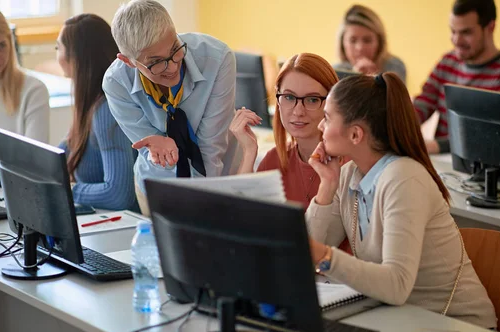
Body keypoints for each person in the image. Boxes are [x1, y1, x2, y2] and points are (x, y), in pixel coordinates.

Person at [306, 72, 497, 328]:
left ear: (355, 135)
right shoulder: (349, 173)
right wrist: (327, 186)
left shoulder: (404, 178)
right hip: (403, 322)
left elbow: (396, 285)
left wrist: (326, 256)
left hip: (455, 328)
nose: (320, 126)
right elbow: (308, 253)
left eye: (327, 118)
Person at [103, 0, 237, 215]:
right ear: (128, 61)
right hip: (158, 187)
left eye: (175, 49)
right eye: (156, 62)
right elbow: (152, 148)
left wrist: (207, 205)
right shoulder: (116, 82)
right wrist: (157, 145)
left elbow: (211, 147)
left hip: (218, 181)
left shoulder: (217, 58)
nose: (173, 66)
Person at [414, 0, 500, 154]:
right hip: (440, 163)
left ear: (490, 27)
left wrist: (437, 145)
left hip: (479, 166)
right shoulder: (447, 62)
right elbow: (422, 104)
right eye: (453, 31)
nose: (456, 40)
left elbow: (494, 133)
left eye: (466, 32)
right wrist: (399, 128)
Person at [230, 53, 338, 208]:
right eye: (289, 97)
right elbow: (240, 215)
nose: (298, 111)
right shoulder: (275, 160)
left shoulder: (350, 165)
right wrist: (249, 151)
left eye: (312, 99)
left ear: (332, 103)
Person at [56, 14, 138, 211]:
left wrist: (68, 190)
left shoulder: (107, 110)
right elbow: (51, 160)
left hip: (126, 230)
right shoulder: (89, 104)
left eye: (58, 47)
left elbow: (118, 195)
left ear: (76, 58)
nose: (57, 55)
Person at [0, 7, 49, 186]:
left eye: (1, 46)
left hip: (18, 189)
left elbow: (34, 163)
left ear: (10, 43)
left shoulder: (33, 89)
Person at [334, 4, 406, 83]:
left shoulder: (395, 67)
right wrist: (354, 77)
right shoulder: (333, 73)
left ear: (380, 42)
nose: (360, 48)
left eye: (367, 40)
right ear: (342, 43)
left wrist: (376, 80)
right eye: (353, 40)